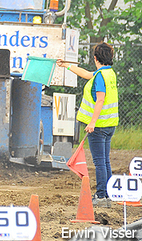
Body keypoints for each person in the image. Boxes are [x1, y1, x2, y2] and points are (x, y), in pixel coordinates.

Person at [57, 42, 119, 208]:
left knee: (100, 162)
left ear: (95, 58)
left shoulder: (100, 76)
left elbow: (100, 99)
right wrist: (66, 66)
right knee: (105, 161)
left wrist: (92, 122)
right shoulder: (108, 73)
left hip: (98, 126)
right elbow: (86, 74)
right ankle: (107, 195)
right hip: (109, 124)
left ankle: (100, 197)